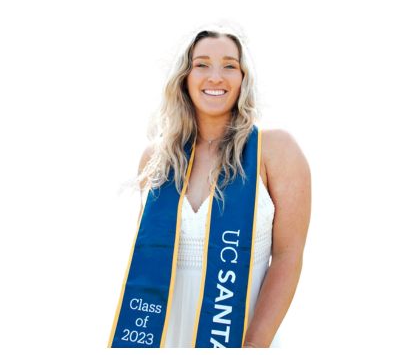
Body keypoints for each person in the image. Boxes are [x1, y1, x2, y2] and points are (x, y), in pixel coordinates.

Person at [110, 22, 311, 348]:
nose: (215, 76)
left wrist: (253, 345)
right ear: (184, 77)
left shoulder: (274, 150)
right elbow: (148, 261)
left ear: (243, 78)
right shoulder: (158, 158)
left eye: (229, 66)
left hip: (239, 337)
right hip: (160, 337)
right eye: (202, 64)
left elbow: (288, 254)